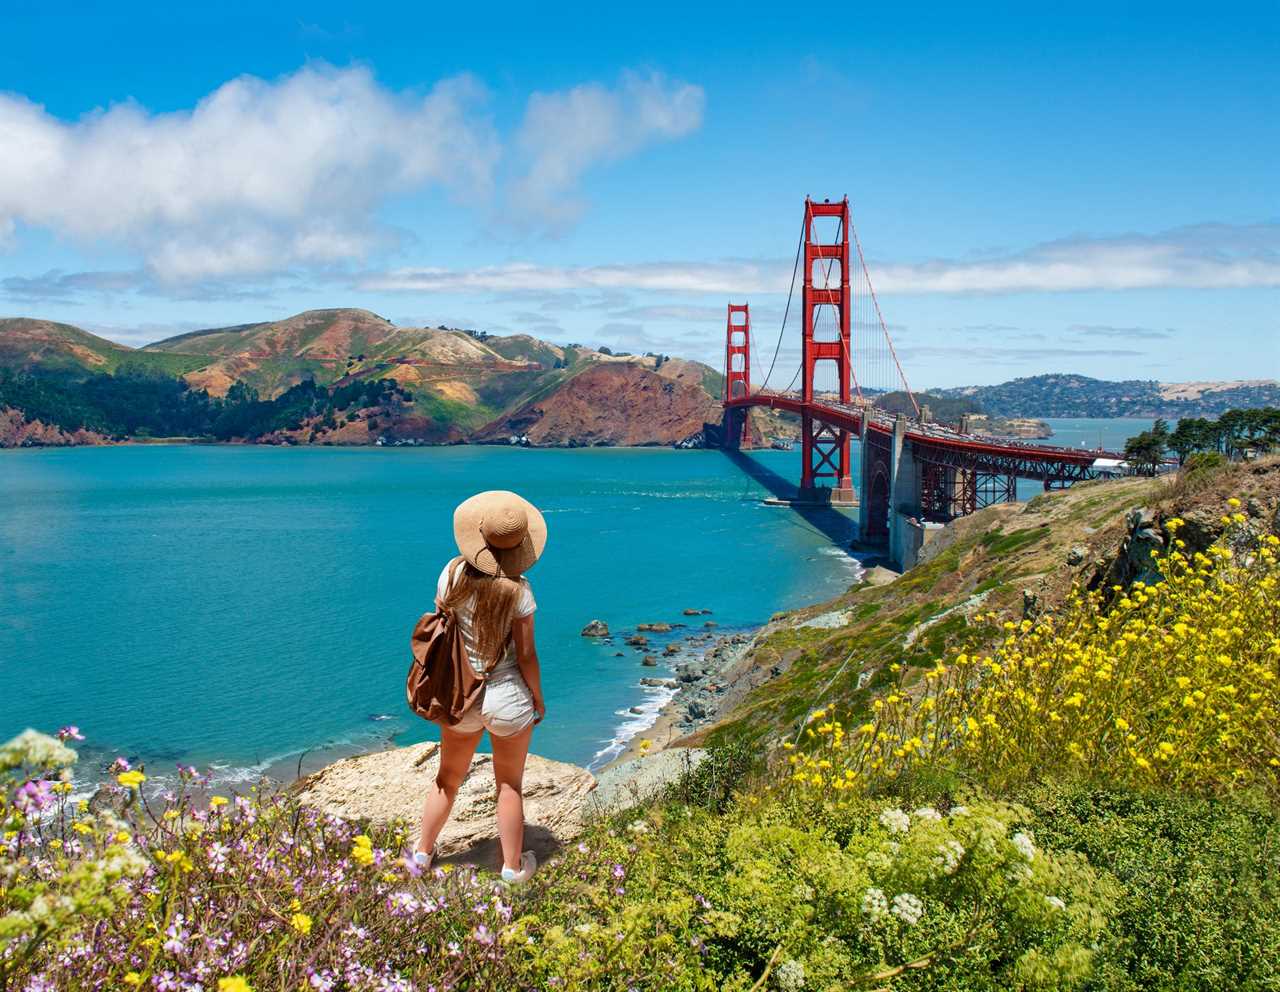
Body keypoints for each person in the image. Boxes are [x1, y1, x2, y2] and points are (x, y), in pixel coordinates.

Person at [415, 490, 547, 884]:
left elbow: (443, 618)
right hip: (507, 697)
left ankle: (422, 855)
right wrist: (537, 698)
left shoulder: (452, 574)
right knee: (509, 784)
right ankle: (511, 868)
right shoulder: (519, 592)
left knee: (447, 778)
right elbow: (526, 656)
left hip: (460, 693)